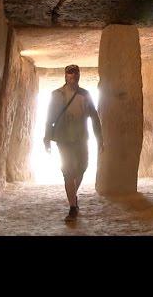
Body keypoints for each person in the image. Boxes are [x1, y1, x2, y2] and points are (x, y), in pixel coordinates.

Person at [44, 64, 104, 222]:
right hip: (63, 139)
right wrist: (46, 138)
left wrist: (100, 139)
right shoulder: (56, 95)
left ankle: (73, 195)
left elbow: (95, 118)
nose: (73, 78)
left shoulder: (85, 95)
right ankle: (72, 207)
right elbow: (49, 118)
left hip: (81, 137)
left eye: (76, 75)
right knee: (68, 172)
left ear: (79, 76)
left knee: (82, 167)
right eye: (70, 75)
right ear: (65, 76)